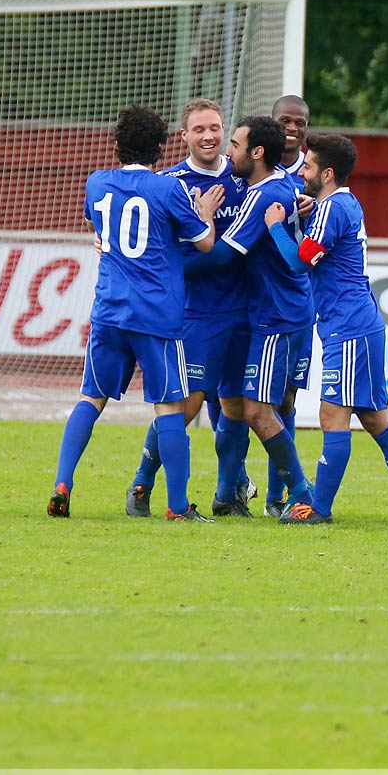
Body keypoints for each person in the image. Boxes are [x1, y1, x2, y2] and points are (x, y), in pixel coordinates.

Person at [49, 106, 223, 520]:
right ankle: (178, 507)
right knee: (169, 408)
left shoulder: (97, 182)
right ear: (162, 148)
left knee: (90, 398)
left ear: (116, 145)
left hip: (108, 310)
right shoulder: (168, 189)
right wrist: (206, 215)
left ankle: (63, 482)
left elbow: (98, 226)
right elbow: (204, 244)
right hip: (156, 316)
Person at [277, 133, 388, 525]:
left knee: (332, 415)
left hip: (348, 329)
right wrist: (305, 218)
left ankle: (318, 510)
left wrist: (276, 228)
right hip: (357, 325)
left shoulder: (334, 208)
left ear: (328, 173)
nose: (302, 170)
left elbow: (301, 263)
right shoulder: (336, 205)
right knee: (373, 416)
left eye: (309, 166)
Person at [124, 100, 252, 518]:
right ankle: (142, 483)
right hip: (197, 313)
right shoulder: (171, 183)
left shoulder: (243, 177)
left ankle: (228, 494)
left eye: (215, 128)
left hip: (246, 310)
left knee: (235, 405)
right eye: (199, 130)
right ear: (184, 137)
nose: (209, 136)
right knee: (189, 404)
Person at [217, 116, 319, 516]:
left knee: (255, 409)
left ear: (257, 153)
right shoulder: (290, 186)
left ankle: (301, 494)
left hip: (274, 316)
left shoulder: (263, 197)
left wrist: (170, 262)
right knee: (279, 406)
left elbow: (226, 251)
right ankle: (270, 496)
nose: (229, 151)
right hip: (295, 310)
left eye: (235, 144)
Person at [265, 93, 314, 514]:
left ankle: (277, 494)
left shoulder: (314, 174)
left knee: (286, 401)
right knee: (239, 402)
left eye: (299, 122)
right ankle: (230, 487)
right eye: (285, 121)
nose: (292, 128)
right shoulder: (253, 167)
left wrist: (311, 209)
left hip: (298, 303)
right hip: (257, 301)